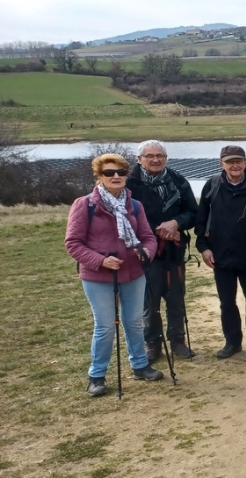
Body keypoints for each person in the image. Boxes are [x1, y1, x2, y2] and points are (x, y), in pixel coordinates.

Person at [66, 153, 163, 397]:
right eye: (109, 173)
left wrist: (147, 253)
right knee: (106, 326)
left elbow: (148, 237)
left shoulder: (134, 205)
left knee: (134, 322)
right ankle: (97, 376)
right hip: (98, 276)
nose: (116, 176)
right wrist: (101, 260)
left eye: (121, 172)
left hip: (133, 273)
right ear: (99, 177)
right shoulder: (85, 205)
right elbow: (73, 244)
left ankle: (140, 365)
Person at [195, 145, 246, 360]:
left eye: (239, 161)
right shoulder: (212, 185)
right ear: (222, 164)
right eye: (230, 161)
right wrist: (204, 247)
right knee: (226, 302)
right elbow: (201, 220)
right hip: (221, 256)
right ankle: (232, 342)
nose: (235, 165)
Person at [126, 140, 198, 362]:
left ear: (166, 158)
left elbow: (193, 213)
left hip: (174, 250)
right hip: (144, 251)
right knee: (149, 298)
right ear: (139, 159)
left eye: (160, 155)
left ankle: (177, 340)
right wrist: (159, 231)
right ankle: (153, 343)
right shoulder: (130, 184)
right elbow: (125, 216)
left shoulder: (177, 180)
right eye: (150, 156)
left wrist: (176, 223)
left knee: (176, 296)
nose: (155, 159)